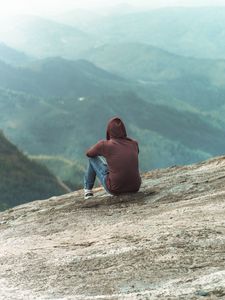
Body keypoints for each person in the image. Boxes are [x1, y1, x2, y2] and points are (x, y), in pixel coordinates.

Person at [84, 117, 141, 199]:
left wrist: (102, 150)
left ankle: (88, 191)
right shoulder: (134, 143)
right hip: (135, 187)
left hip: (115, 189)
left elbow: (89, 154)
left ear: (109, 131)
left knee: (92, 159)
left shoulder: (104, 145)